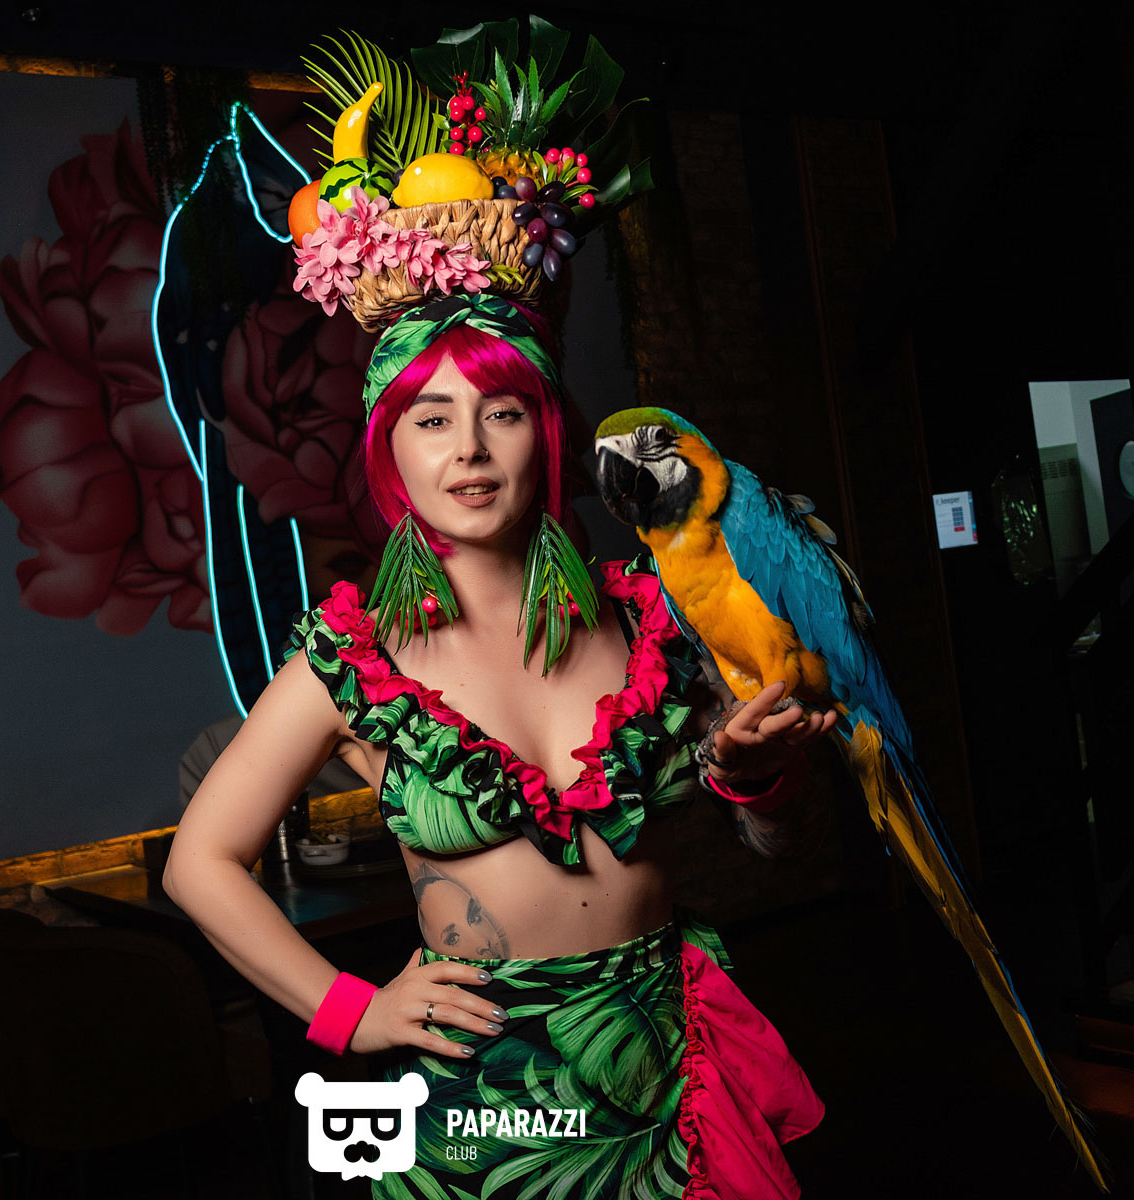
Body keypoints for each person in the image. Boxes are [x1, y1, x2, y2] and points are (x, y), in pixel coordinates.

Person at [164, 291, 831, 1199]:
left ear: (544, 434)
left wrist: (763, 783)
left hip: (669, 1078)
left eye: (503, 413)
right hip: (486, 1112)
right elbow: (198, 863)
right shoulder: (353, 665)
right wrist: (351, 1013)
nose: (470, 448)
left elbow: (782, 845)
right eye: (432, 418)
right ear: (390, 449)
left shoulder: (656, 619)